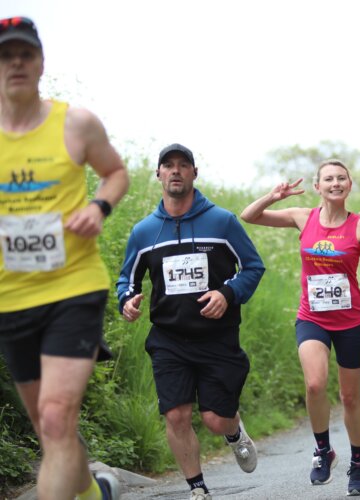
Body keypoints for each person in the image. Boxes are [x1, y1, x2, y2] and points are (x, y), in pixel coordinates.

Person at [0, 16, 129, 500]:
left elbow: (115, 172)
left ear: (40, 64)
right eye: (5, 55)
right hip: (10, 295)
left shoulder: (74, 123)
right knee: (48, 425)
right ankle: (96, 493)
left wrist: (99, 207)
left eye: (24, 54)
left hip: (72, 286)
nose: (15, 63)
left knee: (56, 416)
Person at [117, 144, 264, 500]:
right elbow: (127, 280)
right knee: (176, 415)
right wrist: (127, 300)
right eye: (168, 166)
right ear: (159, 175)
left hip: (217, 337)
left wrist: (227, 294)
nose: (176, 171)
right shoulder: (144, 232)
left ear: (194, 174)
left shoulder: (222, 222)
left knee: (216, 420)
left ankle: (234, 433)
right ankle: (198, 489)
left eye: (183, 165)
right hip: (168, 339)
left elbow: (253, 267)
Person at [240, 159, 360, 496]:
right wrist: (272, 196)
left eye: (341, 178)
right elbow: (248, 216)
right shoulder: (302, 217)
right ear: (318, 186)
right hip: (312, 317)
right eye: (328, 179)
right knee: (314, 384)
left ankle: (357, 462)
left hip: (352, 320)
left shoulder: (359, 226)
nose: (335, 183)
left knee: (350, 396)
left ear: (349, 185)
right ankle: (323, 451)